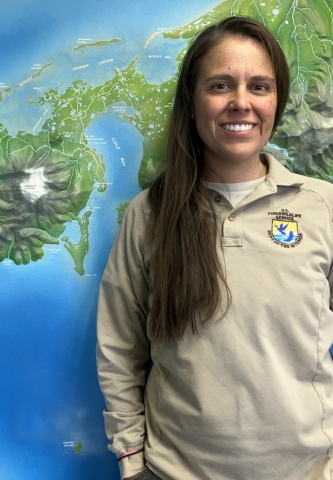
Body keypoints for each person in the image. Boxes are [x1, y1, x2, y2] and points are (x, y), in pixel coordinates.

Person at [96, 16, 333, 480]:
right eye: (221, 85)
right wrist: (131, 461)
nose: (241, 103)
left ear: (277, 100)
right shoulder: (150, 214)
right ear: (192, 100)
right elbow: (120, 347)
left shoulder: (323, 206)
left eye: (259, 86)